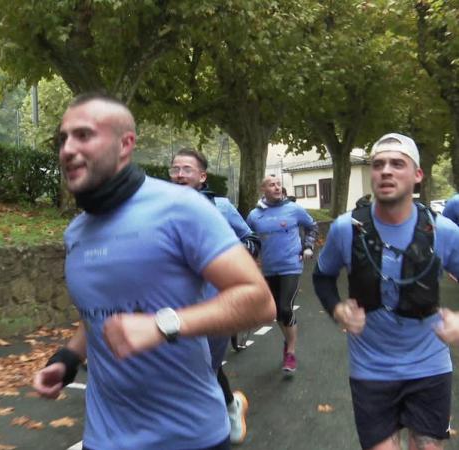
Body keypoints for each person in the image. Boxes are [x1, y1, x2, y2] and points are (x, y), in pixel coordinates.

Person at [33, 94, 275, 450]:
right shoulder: (77, 231)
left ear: (125, 144)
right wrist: (68, 358)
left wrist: (163, 325)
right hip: (104, 438)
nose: (67, 149)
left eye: (84, 135)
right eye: (63, 139)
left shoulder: (181, 208)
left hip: (189, 437)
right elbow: (101, 314)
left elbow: (259, 302)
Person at [312, 133, 459, 450]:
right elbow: (322, 278)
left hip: (429, 367)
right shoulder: (345, 229)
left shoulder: (443, 231)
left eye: (397, 164)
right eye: (378, 165)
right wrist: (338, 310)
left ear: (417, 175)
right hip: (371, 370)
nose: (386, 171)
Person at [169, 148, 259, 445]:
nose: (180, 175)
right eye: (175, 169)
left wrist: (233, 259)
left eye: (186, 169)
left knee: (206, 369)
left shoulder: (220, 206)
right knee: (184, 369)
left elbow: (251, 239)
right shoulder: (160, 208)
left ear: (202, 176)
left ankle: (223, 414)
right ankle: (226, 407)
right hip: (173, 307)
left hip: (217, 305)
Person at [246, 174, 317, 373]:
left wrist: (308, 247)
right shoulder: (254, 215)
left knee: (286, 308)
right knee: (277, 312)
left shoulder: (293, 209)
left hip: (291, 266)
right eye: (272, 185)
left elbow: (312, 227)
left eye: (279, 184)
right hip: (269, 268)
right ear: (263, 189)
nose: (277, 187)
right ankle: (288, 342)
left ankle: (291, 352)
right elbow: (248, 237)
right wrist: (249, 254)